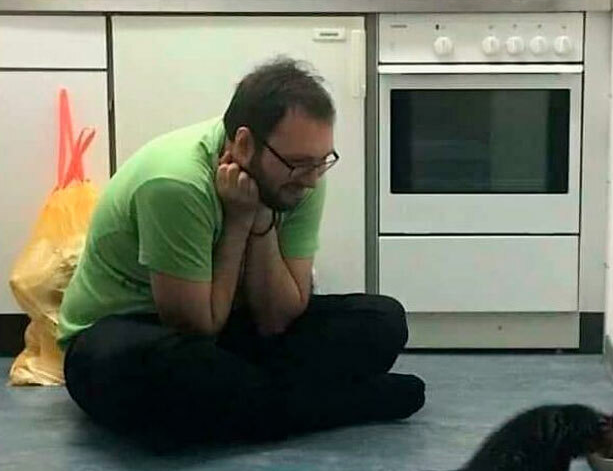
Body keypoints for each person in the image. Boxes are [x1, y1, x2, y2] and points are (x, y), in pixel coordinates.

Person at [58, 57, 425, 447]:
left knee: (381, 321)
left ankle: (251, 403)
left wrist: (261, 220)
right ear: (246, 145)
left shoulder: (303, 176)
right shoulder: (175, 182)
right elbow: (198, 325)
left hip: (228, 327)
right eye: (299, 164)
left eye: (321, 163)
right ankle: (342, 403)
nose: (312, 181)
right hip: (130, 334)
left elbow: (276, 318)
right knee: (170, 371)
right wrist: (237, 221)